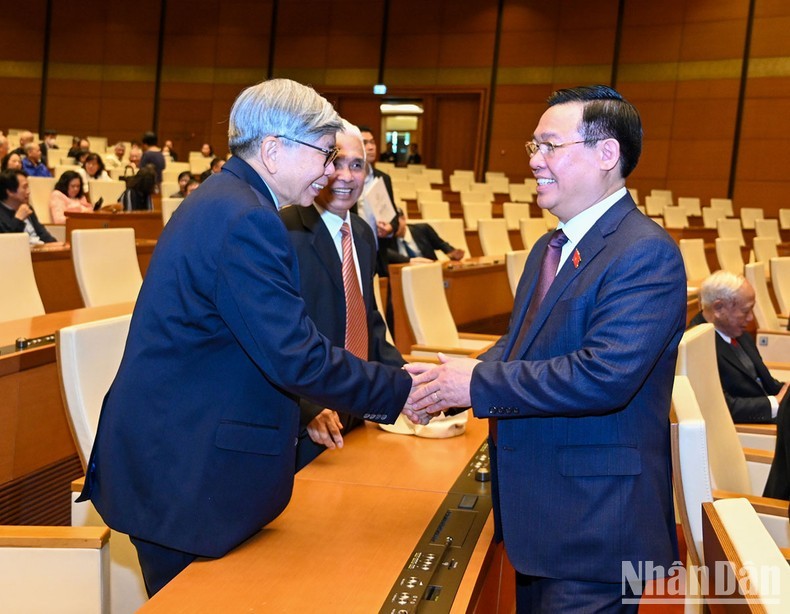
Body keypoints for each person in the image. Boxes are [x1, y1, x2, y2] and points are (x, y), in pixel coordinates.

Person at [76, 78, 422, 598]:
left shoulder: (226, 200)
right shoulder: (246, 220)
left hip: (185, 465)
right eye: (325, 155)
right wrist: (405, 391)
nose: (332, 172)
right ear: (274, 149)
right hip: (186, 478)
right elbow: (296, 357)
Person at [406, 85, 686, 612]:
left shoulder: (645, 253)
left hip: (596, 529)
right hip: (544, 520)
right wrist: (437, 386)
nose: (534, 161)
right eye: (533, 146)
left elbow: (604, 375)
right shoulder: (549, 246)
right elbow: (521, 346)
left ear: (607, 154)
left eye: (549, 146)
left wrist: (476, 382)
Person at [281, 121, 405, 470]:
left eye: (357, 165)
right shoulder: (284, 229)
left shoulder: (363, 234)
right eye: (337, 162)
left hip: (355, 412)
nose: (346, 176)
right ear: (320, 165)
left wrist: (409, 384)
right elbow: (273, 335)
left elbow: (368, 323)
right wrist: (308, 409)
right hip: (308, 423)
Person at [689, 271, 786, 424]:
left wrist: (785, 391)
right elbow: (719, 406)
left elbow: (761, 381)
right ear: (719, 308)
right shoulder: (697, 345)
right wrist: (774, 403)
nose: (751, 318)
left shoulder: (735, 329)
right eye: (746, 311)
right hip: (750, 428)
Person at [386, 207, 464, 263]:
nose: (393, 226)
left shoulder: (423, 229)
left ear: (403, 219)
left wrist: (451, 252)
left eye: (395, 222)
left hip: (430, 271)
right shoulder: (387, 239)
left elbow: (441, 244)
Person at [0, 169, 58, 244]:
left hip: (40, 251)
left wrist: (56, 245)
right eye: (24, 187)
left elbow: (42, 234)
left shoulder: (28, 207)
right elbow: (6, 243)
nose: (28, 191)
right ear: (10, 192)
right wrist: (18, 219)